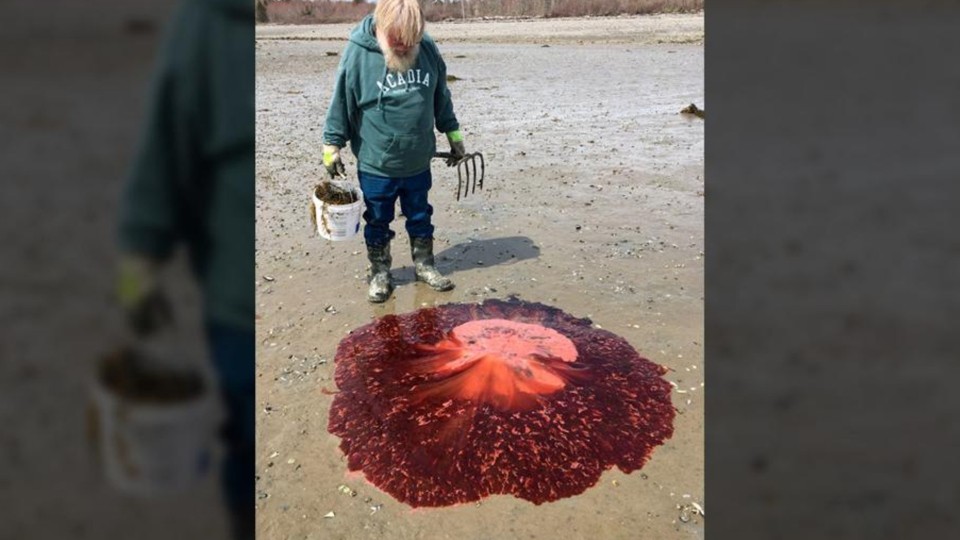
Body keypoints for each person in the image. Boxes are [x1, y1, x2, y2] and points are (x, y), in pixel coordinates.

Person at [115, 1, 254, 538]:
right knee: (240, 428)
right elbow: (164, 147)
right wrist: (139, 259)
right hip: (231, 294)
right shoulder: (205, 25)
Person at [322, 0, 466, 303]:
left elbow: (441, 94)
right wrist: (331, 145)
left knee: (420, 214)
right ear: (382, 28)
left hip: (417, 160)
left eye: (410, 40)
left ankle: (424, 264)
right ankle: (380, 272)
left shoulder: (426, 49)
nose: (403, 46)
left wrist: (453, 132)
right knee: (377, 219)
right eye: (397, 40)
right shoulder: (359, 52)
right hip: (377, 164)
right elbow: (341, 101)